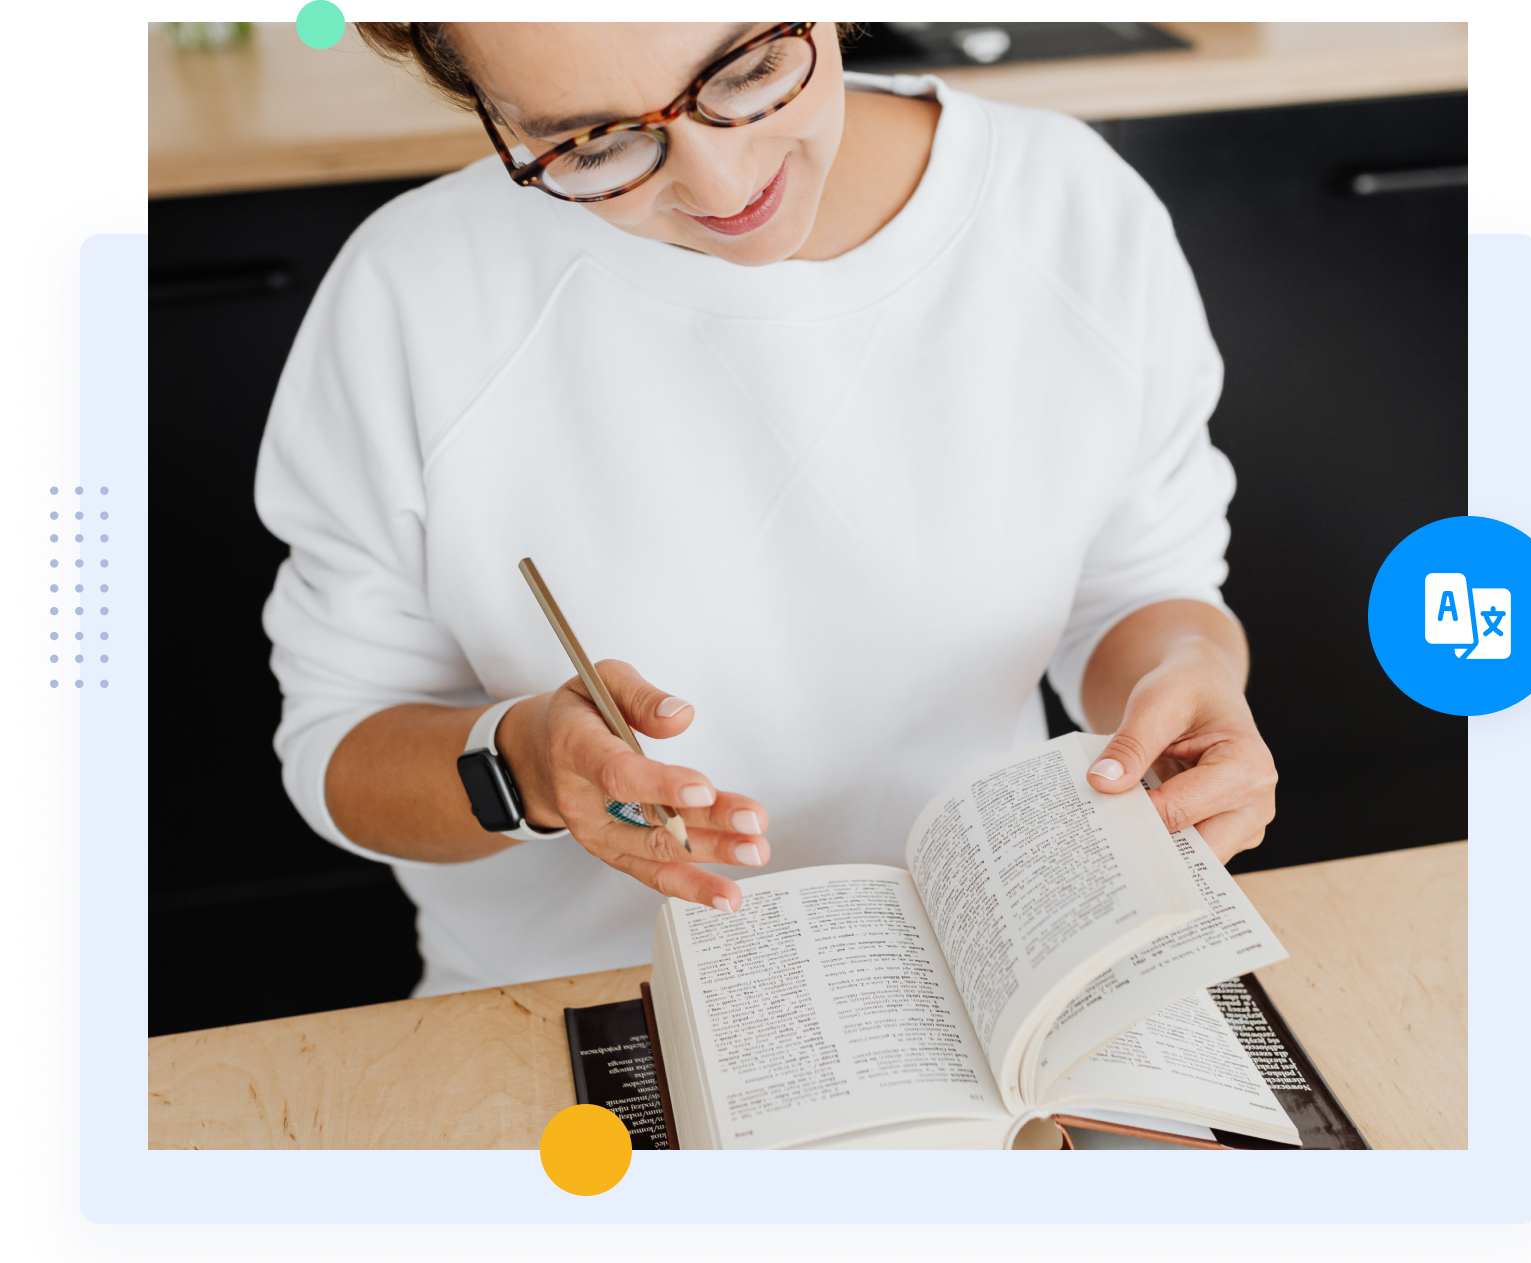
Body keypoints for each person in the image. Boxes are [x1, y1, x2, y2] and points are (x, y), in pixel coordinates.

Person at [256, 21, 1277, 999]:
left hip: (989, 984)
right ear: (494, 115)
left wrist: (1185, 681)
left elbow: (1138, 588)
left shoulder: (1067, 207)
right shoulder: (414, 292)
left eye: (745, 72)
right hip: (575, 1006)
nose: (722, 183)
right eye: (594, 141)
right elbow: (340, 745)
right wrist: (523, 769)